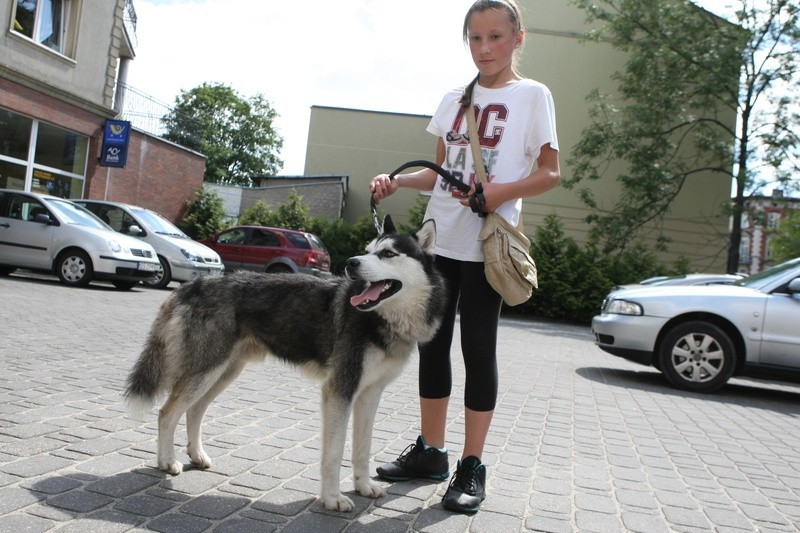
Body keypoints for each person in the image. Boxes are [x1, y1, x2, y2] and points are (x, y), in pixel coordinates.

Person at [369, 0, 560, 514]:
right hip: (439, 242)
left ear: (518, 38)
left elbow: (550, 172)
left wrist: (499, 193)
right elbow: (441, 173)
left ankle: (471, 466)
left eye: (496, 37)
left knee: (479, 351)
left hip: (486, 248)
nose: (485, 48)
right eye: (475, 39)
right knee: (431, 346)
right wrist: (398, 180)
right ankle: (431, 452)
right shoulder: (455, 98)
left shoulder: (533, 95)